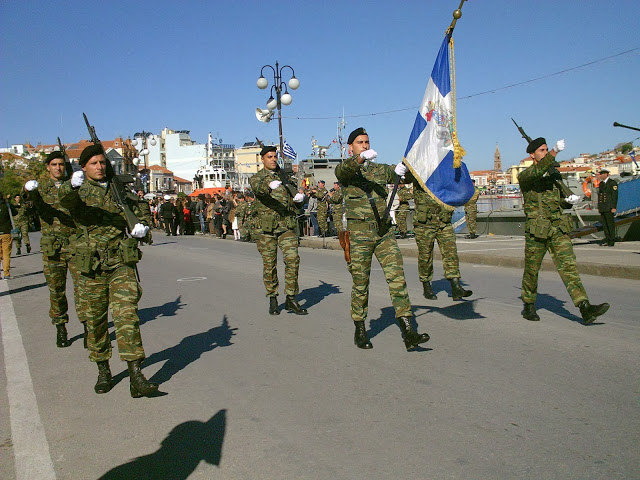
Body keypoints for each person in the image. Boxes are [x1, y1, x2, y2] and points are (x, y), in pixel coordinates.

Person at [59, 144, 158, 397]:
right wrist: (71, 185)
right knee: (96, 322)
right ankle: (103, 369)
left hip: (120, 262)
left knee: (127, 316)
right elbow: (66, 201)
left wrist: (143, 227)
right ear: (83, 167)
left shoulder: (120, 189)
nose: (100, 167)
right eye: (93, 163)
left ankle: (136, 374)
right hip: (91, 266)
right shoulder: (78, 189)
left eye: (102, 162)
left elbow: (140, 211)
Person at [335, 127, 429, 351]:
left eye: (367, 142)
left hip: (384, 232)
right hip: (359, 235)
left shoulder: (379, 169)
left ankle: (408, 331)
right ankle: (360, 329)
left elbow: (400, 176)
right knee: (361, 283)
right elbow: (343, 171)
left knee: (397, 279)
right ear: (351, 148)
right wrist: (359, 159)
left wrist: (403, 169)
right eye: (360, 143)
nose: (365, 146)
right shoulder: (346, 171)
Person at [518, 136, 609, 324]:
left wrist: (566, 201)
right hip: (537, 230)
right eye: (541, 150)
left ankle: (585, 307)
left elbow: (557, 199)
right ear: (532, 155)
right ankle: (528, 304)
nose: (544, 152)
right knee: (532, 270)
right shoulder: (526, 176)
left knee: (569, 268)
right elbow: (537, 172)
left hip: (557, 228)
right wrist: (554, 152)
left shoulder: (554, 175)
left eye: (546, 149)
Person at [24, 151, 88, 348]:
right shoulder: (40, 189)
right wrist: (29, 193)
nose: (58, 168)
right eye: (54, 165)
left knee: (83, 289)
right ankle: (61, 326)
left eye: (61, 164)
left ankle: (88, 328)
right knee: (56, 290)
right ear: (48, 167)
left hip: (75, 243)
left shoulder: (74, 185)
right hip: (53, 246)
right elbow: (29, 209)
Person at [249, 145, 307, 315]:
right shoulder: (257, 178)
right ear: (262, 159)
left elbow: (294, 199)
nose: (273, 159)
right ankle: (272, 298)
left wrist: (299, 199)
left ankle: (291, 297)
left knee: (293, 260)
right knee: (270, 265)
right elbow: (258, 188)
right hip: (266, 229)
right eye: (269, 157)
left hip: (286, 226)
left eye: (275, 156)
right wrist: (268, 185)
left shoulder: (285, 177)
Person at [406, 171, 473, 301]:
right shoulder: (419, 170)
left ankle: (456, 286)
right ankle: (426, 285)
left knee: (451, 253)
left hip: (444, 221)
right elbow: (406, 178)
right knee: (425, 256)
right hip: (425, 223)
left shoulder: (444, 170)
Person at [597, 169, 618, 246]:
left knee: (610, 224)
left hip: (609, 207)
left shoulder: (612, 183)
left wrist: (613, 207)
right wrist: (599, 207)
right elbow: (600, 196)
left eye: (603, 174)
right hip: (603, 207)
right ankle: (608, 239)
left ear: (607, 174)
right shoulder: (601, 184)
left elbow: (614, 196)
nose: (601, 176)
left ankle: (612, 240)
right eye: (600, 174)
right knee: (605, 225)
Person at [0, 192, 18, 279]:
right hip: (6, 232)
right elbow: (15, 212)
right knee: (6, 254)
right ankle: (6, 273)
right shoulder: (6, 205)